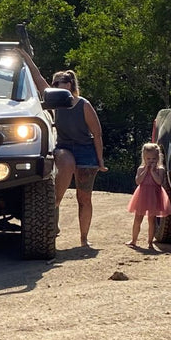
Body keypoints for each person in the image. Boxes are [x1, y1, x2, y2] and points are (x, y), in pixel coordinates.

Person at [51, 70, 107, 247]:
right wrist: (25, 56)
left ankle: (84, 238)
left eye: (60, 82)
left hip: (85, 151)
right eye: (54, 83)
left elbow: (97, 134)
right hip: (64, 149)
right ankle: (51, 228)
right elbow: (37, 79)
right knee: (54, 194)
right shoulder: (53, 104)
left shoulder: (84, 105)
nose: (57, 86)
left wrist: (100, 160)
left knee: (84, 197)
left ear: (69, 85)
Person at [127, 143, 171, 249]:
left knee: (151, 220)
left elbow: (159, 182)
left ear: (158, 158)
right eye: (148, 159)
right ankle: (133, 240)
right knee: (137, 218)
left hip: (154, 196)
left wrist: (152, 171)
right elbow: (138, 181)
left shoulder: (160, 169)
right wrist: (145, 171)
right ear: (144, 157)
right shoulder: (141, 168)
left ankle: (150, 242)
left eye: (153, 159)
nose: (151, 161)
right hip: (142, 195)